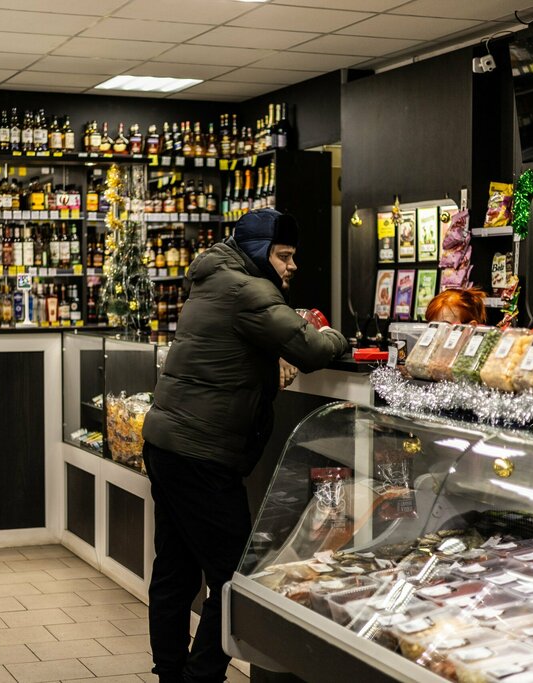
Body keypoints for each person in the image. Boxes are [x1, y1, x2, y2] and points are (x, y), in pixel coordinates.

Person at [141, 208, 350, 683]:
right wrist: (333, 335)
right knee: (236, 577)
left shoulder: (214, 278)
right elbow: (311, 349)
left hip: (169, 444)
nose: (292, 266)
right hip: (202, 454)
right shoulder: (249, 290)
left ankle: (170, 673)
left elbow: (241, 346)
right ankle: (201, 676)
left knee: (174, 569)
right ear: (259, 252)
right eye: (284, 256)